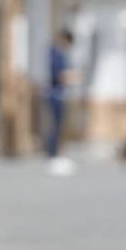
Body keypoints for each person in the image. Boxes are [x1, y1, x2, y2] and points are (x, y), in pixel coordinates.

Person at [45, 29, 77, 175]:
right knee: (55, 124)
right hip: (54, 94)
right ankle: (53, 153)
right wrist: (71, 77)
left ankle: (56, 152)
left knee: (59, 125)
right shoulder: (54, 53)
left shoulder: (58, 53)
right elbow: (57, 75)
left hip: (59, 94)